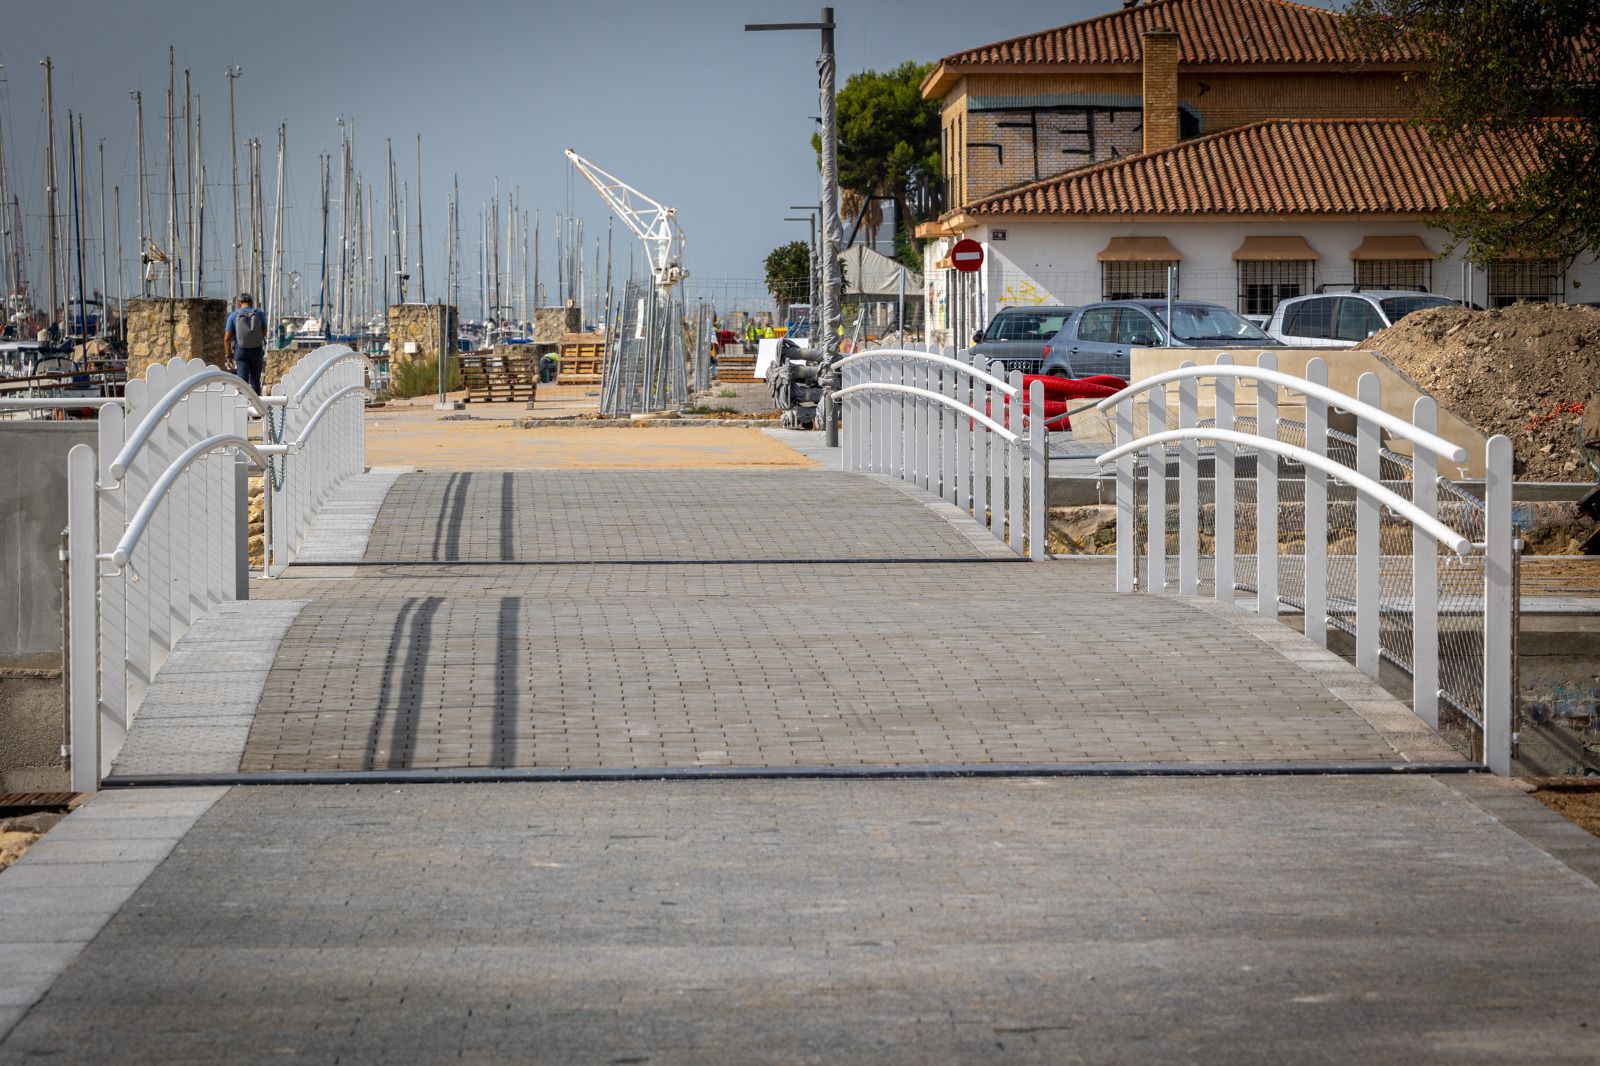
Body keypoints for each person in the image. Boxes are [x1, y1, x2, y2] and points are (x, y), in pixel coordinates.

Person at [224, 293, 267, 393]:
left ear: (240, 303)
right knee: (255, 381)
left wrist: (229, 356)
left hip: (241, 351)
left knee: (242, 381)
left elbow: (227, 338)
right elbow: (264, 333)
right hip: (256, 351)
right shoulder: (259, 313)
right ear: (251, 302)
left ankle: (242, 405)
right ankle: (256, 407)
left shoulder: (234, 315)